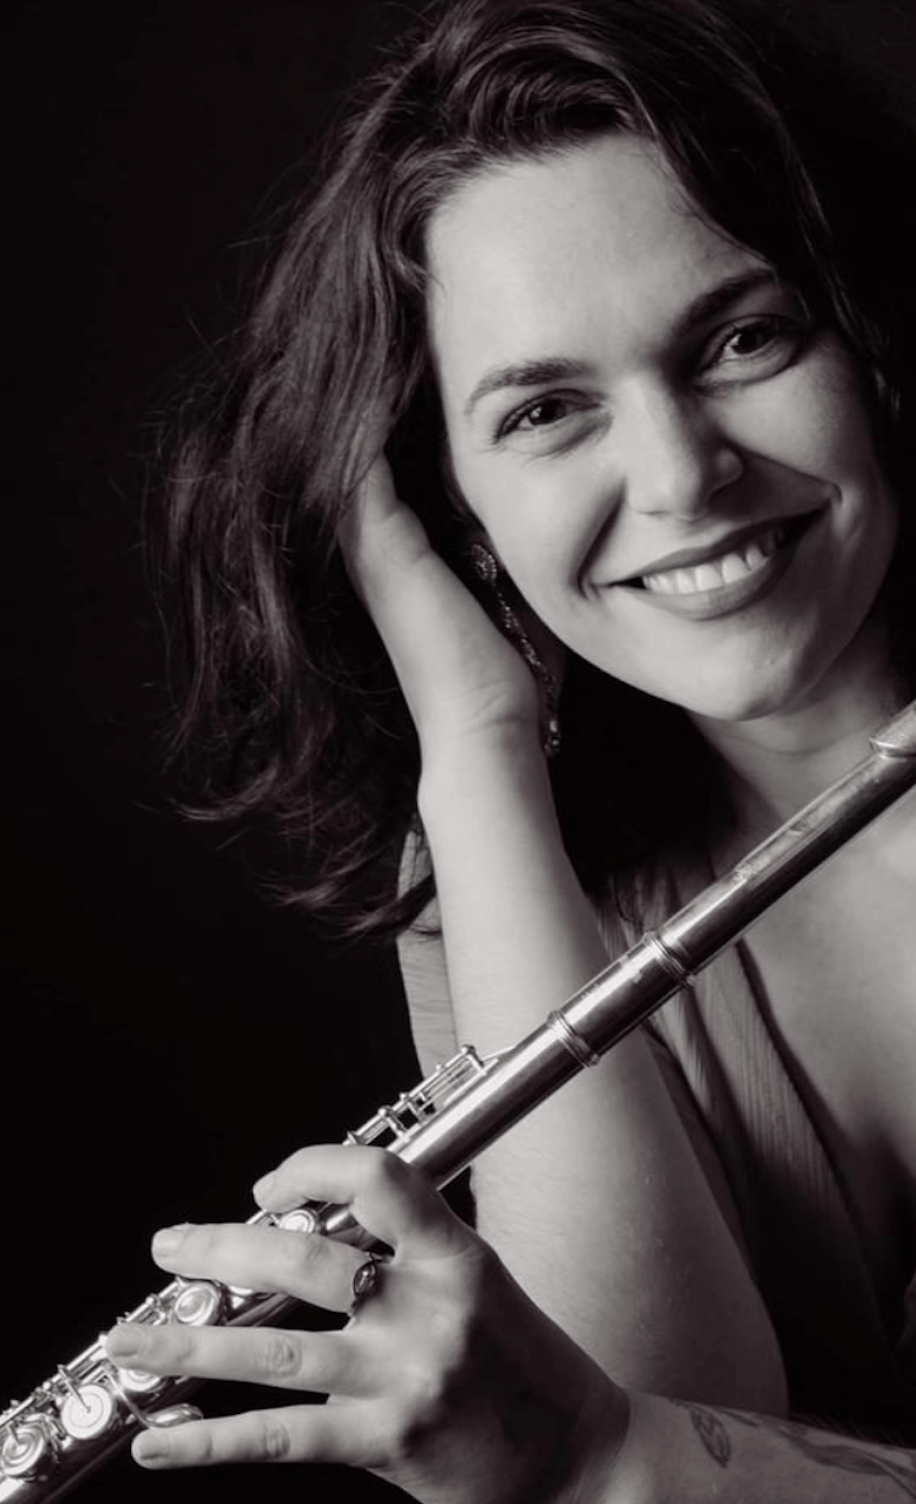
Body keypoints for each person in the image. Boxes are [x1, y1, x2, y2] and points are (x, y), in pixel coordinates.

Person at [104, 0, 916, 1496]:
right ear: (451, 512)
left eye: (745, 337)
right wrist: (475, 745)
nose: (680, 476)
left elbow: (633, 1454)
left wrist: (605, 1452)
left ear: (874, 335)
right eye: (546, 411)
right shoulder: (511, 877)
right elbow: (662, 1429)